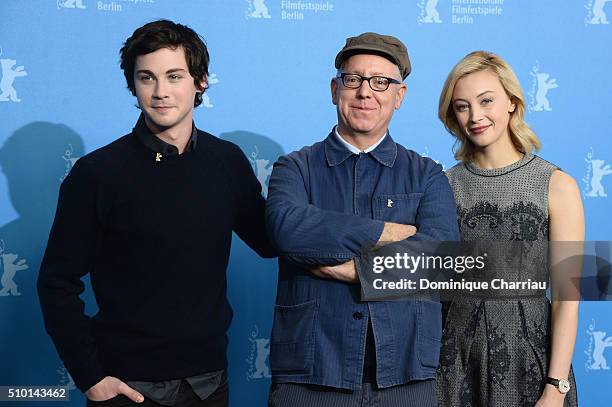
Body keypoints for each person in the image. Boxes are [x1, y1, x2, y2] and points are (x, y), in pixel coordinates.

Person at [37, 20, 275, 407]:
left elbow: (271, 240)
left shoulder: (226, 162)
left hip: (210, 384)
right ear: (133, 85)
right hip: (127, 387)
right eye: (147, 77)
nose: (161, 92)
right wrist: (91, 377)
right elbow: (56, 282)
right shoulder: (98, 173)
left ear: (199, 82)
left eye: (174, 76)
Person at [265, 32, 460, 407]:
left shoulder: (427, 175)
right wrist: (385, 233)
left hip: (405, 377)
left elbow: (441, 259)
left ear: (399, 96)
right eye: (354, 80)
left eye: (380, 82)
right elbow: (287, 230)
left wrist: (359, 271)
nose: (365, 92)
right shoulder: (295, 168)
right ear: (335, 88)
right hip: (310, 374)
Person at [437, 51, 584, 406]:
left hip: (531, 359)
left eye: (486, 100)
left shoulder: (557, 184)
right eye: (462, 106)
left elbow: (568, 296)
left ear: (512, 103)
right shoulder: (442, 185)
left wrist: (555, 385)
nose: (476, 116)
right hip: (455, 360)